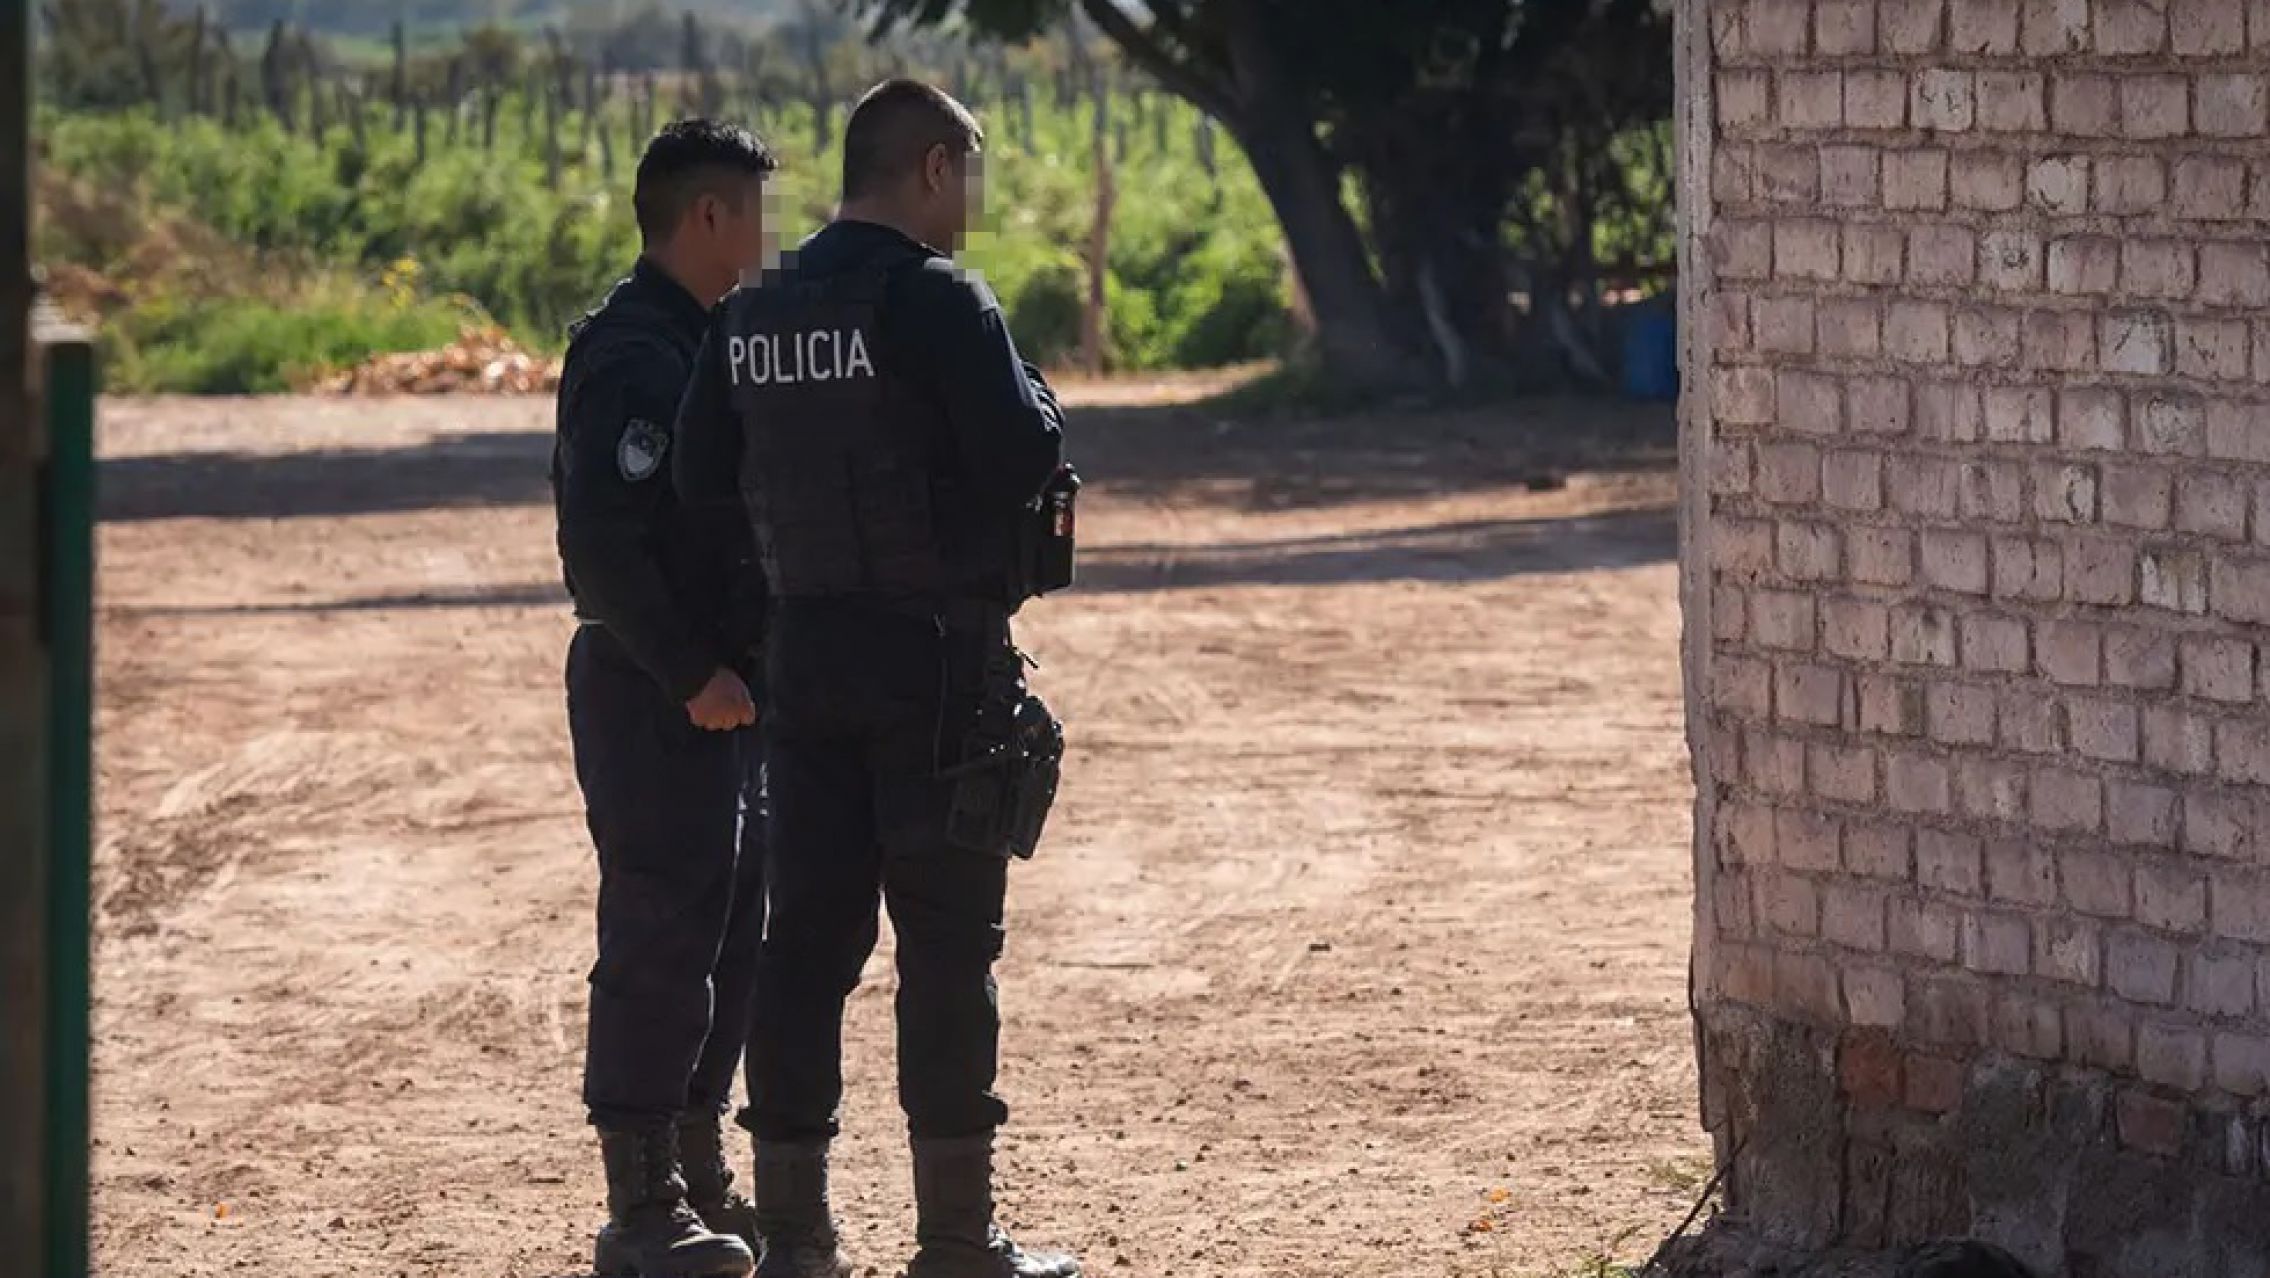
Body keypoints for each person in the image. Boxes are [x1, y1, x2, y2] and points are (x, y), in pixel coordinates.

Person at [672, 80, 1078, 1278]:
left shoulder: (754, 310)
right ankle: (955, 1241)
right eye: (972, 177)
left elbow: (700, 475)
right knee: (945, 948)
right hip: (935, 661)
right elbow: (1023, 453)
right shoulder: (939, 298)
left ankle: (796, 1240)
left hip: (804, 655)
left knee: (805, 944)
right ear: (936, 168)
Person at [551, 119, 780, 1278]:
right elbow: (602, 542)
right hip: (656, 690)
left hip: (727, 696)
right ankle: (640, 1212)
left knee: (730, 934)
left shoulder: (713, 339)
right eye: (755, 211)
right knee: (659, 935)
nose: (766, 235)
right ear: (708, 218)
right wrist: (692, 674)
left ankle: (697, 1178)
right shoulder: (637, 352)